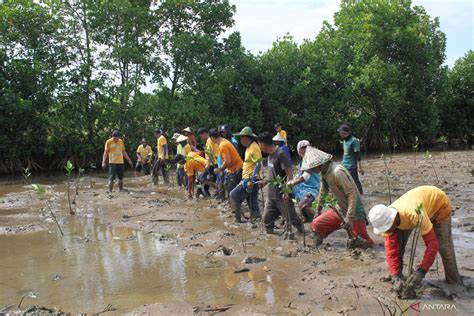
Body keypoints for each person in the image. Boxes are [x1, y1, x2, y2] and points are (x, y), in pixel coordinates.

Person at [369, 186, 462, 298]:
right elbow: (391, 251)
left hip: (439, 205)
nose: (387, 231)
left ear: (393, 219)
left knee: (444, 247)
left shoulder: (414, 215)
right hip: (416, 208)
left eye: (387, 228)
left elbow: (433, 245)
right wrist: (394, 274)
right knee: (396, 243)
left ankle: (455, 282)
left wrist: (421, 271)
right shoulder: (385, 219)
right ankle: (398, 276)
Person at [301, 146, 373, 247]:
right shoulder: (324, 172)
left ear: (320, 164)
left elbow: (352, 194)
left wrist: (349, 217)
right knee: (317, 225)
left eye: (312, 168)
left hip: (354, 212)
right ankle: (316, 250)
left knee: (364, 242)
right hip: (340, 209)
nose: (312, 171)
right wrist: (318, 211)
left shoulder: (337, 172)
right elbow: (323, 193)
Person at [257, 131, 303, 235]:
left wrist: (287, 192)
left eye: (259, 144)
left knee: (292, 218)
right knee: (267, 219)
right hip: (271, 195)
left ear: (263, 144)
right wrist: (265, 182)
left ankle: (303, 232)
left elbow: (290, 174)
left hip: (282, 194)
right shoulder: (269, 155)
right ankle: (270, 237)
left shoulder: (280, 154)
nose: (259, 147)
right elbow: (273, 174)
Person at [229, 127, 262, 223]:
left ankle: (238, 219)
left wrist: (252, 180)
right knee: (251, 200)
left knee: (233, 195)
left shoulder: (254, 148)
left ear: (246, 138)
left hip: (249, 179)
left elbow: (258, 164)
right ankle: (256, 219)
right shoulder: (249, 147)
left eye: (241, 138)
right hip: (248, 178)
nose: (240, 140)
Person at [287, 140, 320, 222]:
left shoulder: (311, 161)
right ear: (298, 150)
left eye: (307, 147)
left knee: (303, 204)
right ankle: (305, 218)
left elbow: (305, 177)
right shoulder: (301, 162)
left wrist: (292, 182)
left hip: (311, 188)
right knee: (287, 194)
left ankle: (319, 219)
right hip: (302, 187)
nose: (305, 150)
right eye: (303, 148)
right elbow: (298, 175)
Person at [210, 128, 243, 200]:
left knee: (231, 190)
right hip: (234, 168)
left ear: (212, 138)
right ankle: (232, 205)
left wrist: (220, 169)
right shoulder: (224, 141)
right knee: (228, 186)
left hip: (236, 168)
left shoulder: (222, 145)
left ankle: (235, 209)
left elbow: (227, 161)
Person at [338, 124, 364, 194]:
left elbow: (358, 154)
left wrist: (360, 167)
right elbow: (346, 154)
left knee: (355, 181)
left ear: (346, 133)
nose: (340, 134)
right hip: (344, 165)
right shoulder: (344, 141)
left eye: (341, 133)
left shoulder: (354, 140)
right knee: (344, 181)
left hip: (351, 166)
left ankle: (360, 194)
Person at [198, 127, 219, 196]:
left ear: (204, 134)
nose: (201, 138)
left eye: (201, 136)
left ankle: (218, 189)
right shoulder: (210, 140)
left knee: (201, 178)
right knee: (212, 179)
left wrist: (208, 164)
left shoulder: (209, 140)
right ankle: (209, 193)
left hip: (213, 163)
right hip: (214, 163)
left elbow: (210, 153)